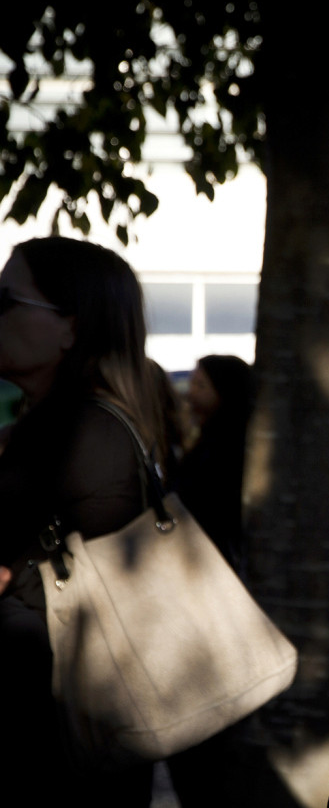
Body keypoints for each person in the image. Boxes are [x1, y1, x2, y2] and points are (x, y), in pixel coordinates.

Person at [0, 236, 164, 804]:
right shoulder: (64, 426)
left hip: (58, 745)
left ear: (70, 327)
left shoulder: (82, 433)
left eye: (7, 300)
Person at [176, 354, 253, 569]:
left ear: (226, 392)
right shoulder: (207, 442)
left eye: (200, 386)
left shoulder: (224, 450)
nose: (190, 394)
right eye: (192, 383)